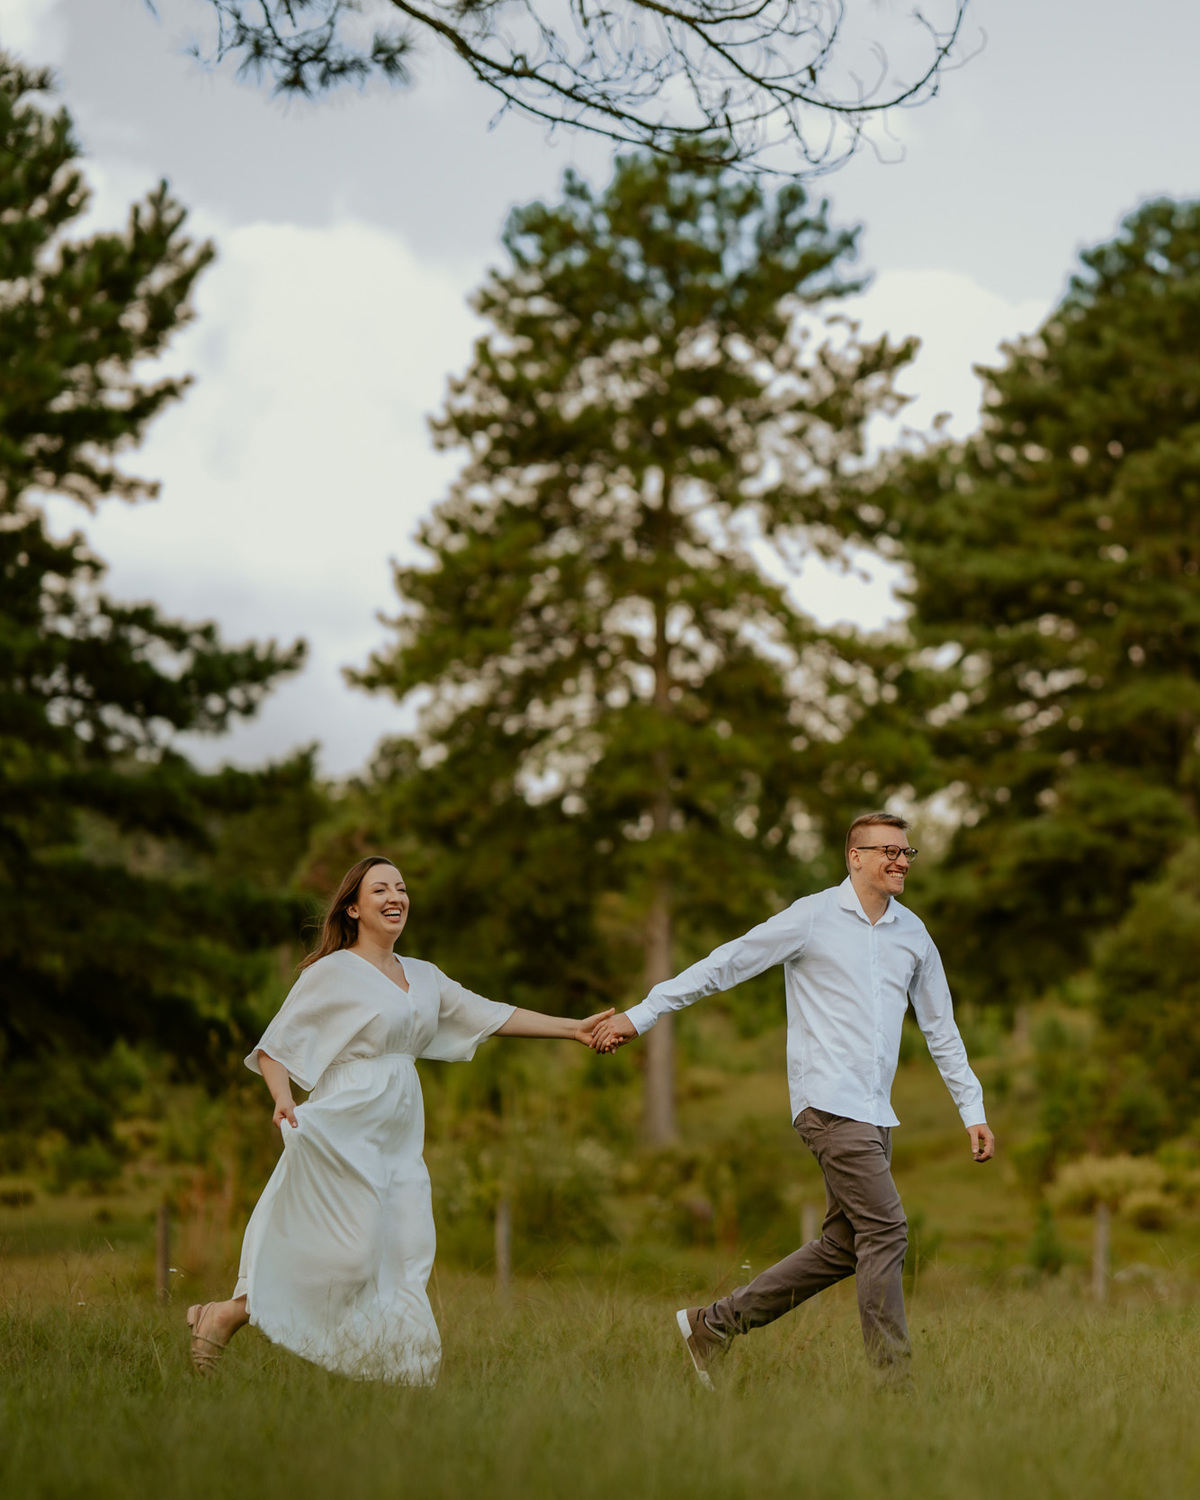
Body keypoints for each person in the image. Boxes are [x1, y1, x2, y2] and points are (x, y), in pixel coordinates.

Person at [592, 812, 995, 1389]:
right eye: (889, 851)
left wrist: (971, 1109)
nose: (902, 861)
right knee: (887, 1230)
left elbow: (941, 1028)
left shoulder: (913, 934)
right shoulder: (811, 917)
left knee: (845, 1245)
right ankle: (895, 1386)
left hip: (875, 1113)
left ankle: (712, 1326)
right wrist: (643, 1013)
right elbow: (725, 964)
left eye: (907, 852)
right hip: (827, 1104)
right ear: (855, 857)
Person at [186, 855, 611, 1384]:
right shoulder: (332, 972)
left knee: (408, 1250)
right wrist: (282, 1097)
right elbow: (275, 1047)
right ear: (353, 908)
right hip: (346, 1122)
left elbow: (490, 1014)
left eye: (401, 888)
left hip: (401, 1132)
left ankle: (406, 1378)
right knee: (348, 1256)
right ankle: (229, 1313)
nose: (395, 897)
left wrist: (573, 1028)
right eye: (381, 889)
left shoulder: (425, 976)